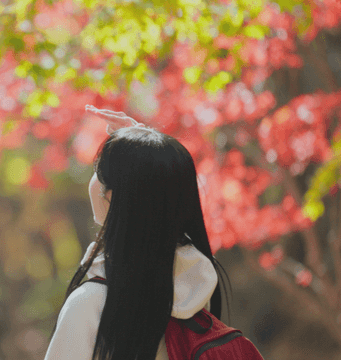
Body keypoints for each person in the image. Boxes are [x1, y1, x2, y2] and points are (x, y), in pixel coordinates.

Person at [43, 105, 231, 360]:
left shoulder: (91, 305)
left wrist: (137, 150)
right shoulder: (194, 289)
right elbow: (157, 209)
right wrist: (144, 153)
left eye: (97, 171)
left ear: (110, 197)